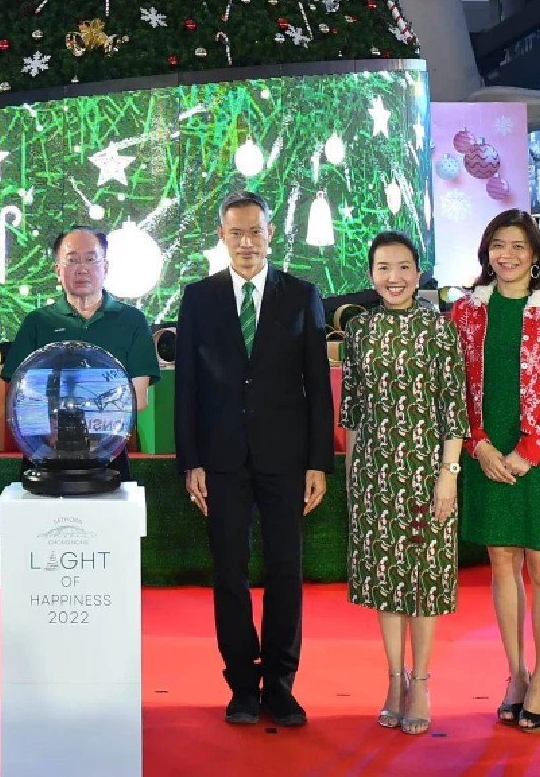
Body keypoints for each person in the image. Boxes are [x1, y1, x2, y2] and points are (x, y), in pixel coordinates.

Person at [174, 191, 334, 728]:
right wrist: (190, 460)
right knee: (230, 575)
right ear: (221, 236)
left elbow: (319, 386)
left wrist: (319, 462)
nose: (247, 243)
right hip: (220, 460)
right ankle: (242, 685)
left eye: (256, 232)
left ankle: (282, 686)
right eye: (236, 233)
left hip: (287, 459)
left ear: (271, 235)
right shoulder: (198, 298)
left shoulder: (303, 295)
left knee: (287, 572)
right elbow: (188, 388)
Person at [446, 209, 540, 734]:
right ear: (486, 253)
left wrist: (531, 450)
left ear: (535, 256)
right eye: (498, 245)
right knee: (502, 561)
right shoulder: (465, 313)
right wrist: (478, 446)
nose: (507, 255)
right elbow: (453, 386)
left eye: (518, 246)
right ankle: (516, 673)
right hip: (486, 452)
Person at [339, 231, 465, 736]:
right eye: (383, 268)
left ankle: (421, 681)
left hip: (428, 472)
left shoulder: (439, 330)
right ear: (371, 275)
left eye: (404, 267)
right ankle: (393, 679)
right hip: (374, 473)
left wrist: (448, 475)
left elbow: (453, 410)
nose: (394, 278)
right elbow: (352, 409)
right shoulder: (360, 331)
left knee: (425, 582)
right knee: (386, 583)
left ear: (418, 273)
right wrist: (352, 477)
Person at [0, 228, 159, 479]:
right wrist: (51, 433)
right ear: (57, 270)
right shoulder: (38, 322)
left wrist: (95, 433)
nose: (82, 268)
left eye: (90, 259)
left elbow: (139, 396)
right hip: (44, 456)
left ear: (105, 267)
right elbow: (19, 394)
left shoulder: (132, 321)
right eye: (72, 260)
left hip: (108, 458)